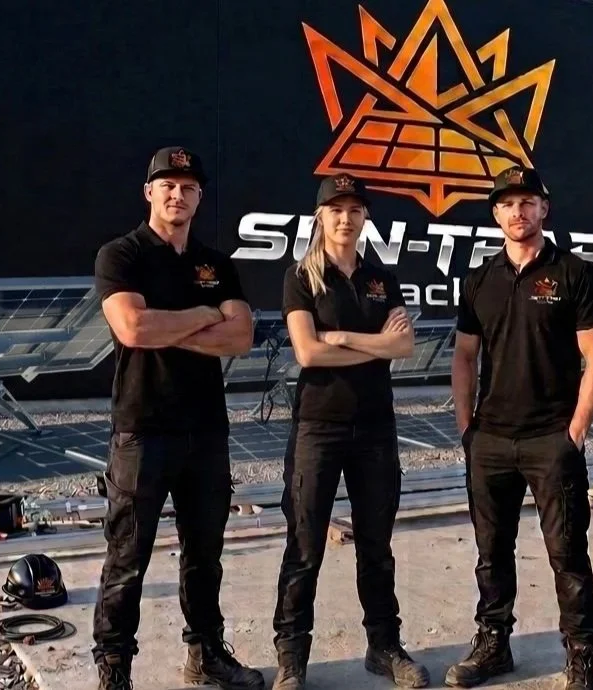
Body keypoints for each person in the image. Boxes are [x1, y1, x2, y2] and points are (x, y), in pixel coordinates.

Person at [91, 146, 266, 690]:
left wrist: (176, 324)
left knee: (204, 556)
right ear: (149, 192)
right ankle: (115, 670)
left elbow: (241, 336)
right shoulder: (121, 255)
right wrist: (204, 315)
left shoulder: (214, 264)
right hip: (142, 430)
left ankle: (206, 655)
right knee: (127, 559)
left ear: (199, 198)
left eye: (188, 187)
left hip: (205, 432)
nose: (177, 193)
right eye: (167, 184)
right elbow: (134, 330)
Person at [445, 166, 593, 690]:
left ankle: (580, 656)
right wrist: (467, 426)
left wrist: (577, 430)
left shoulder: (575, 275)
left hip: (551, 439)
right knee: (491, 552)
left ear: (544, 209)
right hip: (490, 440)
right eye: (507, 204)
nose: (517, 212)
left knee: (567, 552)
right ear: (495, 214)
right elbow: (465, 355)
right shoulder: (479, 279)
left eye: (527, 202)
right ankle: (494, 645)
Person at [270, 173, 431, 690]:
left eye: (355, 209)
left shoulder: (382, 278)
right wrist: (370, 342)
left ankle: (384, 646)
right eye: (336, 209)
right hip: (319, 426)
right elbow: (308, 352)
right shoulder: (302, 277)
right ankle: (292, 657)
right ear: (321, 217)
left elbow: (404, 349)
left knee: (376, 546)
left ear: (364, 218)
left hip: (375, 429)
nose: (346, 217)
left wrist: (340, 334)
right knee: (305, 544)